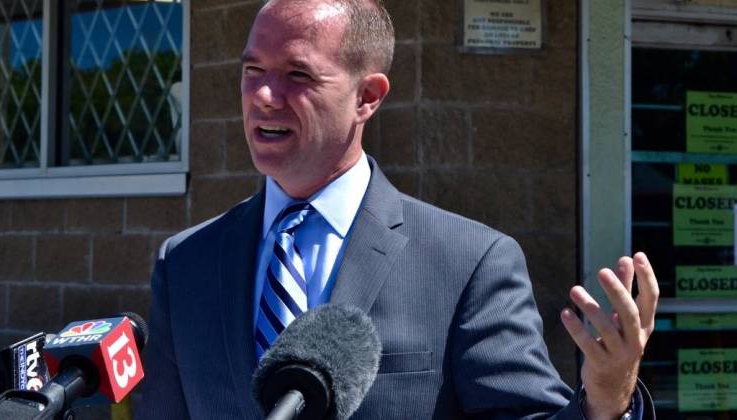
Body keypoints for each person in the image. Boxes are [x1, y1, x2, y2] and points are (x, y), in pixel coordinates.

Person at [136, 0, 659, 418]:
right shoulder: (185, 262)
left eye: (298, 74)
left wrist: (606, 402)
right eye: (253, 70)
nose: (264, 96)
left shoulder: (470, 263)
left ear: (368, 96)